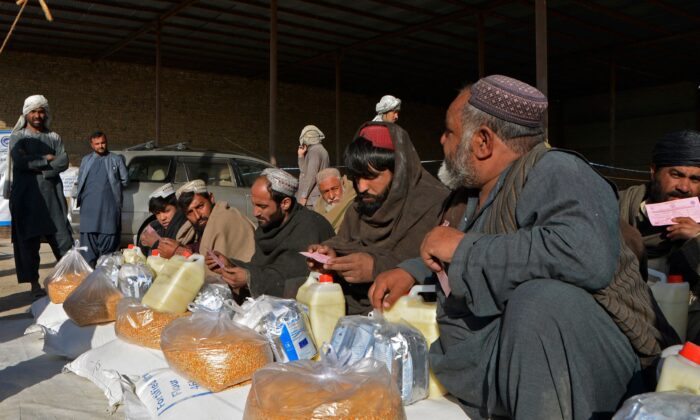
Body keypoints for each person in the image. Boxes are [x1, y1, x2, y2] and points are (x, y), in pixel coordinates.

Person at [368, 75, 681, 419]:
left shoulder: (557, 170)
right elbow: (482, 247)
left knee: (541, 301)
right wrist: (412, 270)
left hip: (583, 369)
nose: (442, 140)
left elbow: (584, 254)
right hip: (484, 368)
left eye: (450, 132)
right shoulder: (468, 194)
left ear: (483, 141)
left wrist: (464, 249)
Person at [307, 122, 448, 315]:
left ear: (399, 171)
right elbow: (345, 241)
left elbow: (443, 268)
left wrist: (376, 268)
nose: (362, 187)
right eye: (357, 178)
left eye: (371, 176)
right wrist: (331, 254)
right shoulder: (359, 206)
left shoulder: (436, 204)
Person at [619, 130, 700, 343]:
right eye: (676, 174)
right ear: (653, 171)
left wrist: (697, 239)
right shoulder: (615, 210)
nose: (684, 187)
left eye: (694, 179)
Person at [208, 168, 334, 300]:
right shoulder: (269, 224)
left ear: (285, 203)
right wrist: (231, 265)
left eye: (262, 206)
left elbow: (293, 280)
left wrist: (250, 279)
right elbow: (261, 268)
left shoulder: (310, 227)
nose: (255, 213)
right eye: (254, 205)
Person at [9, 95, 73, 298]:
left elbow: (63, 161)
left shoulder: (54, 137)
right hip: (27, 197)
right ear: (26, 113)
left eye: (41, 111)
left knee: (63, 239)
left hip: (52, 195)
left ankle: (68, 279)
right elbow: (20, 162)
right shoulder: (18, 136)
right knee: (29, 242)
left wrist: (43, 170)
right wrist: (46, 158)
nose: (38, 115)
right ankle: (34, 284)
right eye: (34, 111)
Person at [158, 180, 255, 273]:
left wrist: (179, 252)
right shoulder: (203, 225)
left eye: (200, 206)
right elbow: (201, 250)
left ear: (211, 198)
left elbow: (215, 273)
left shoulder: (224, 219)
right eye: (190, 212)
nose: (197, 216)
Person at [74, 131, 128, 266]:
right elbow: (80, 181)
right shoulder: (86, 160)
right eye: (97, 144)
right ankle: (90, 282)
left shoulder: (116, 159)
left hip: (108, 211)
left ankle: (105, 283)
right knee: (88, 254)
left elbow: (125, 180)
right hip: (88, 212)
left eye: (103, 142)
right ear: (92, 145)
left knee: (107, 257)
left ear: (106, 142)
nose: (101, 146)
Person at [138, 183, 194, 256]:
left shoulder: (186, 226)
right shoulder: (156, 227)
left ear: (177, 207)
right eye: (158, 213)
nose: (162, 218)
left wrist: (156, 244)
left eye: (166, 211)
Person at [296, 125, 330, 208]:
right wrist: (301, 156)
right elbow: (304, 171)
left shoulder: (315, 151)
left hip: (311, 199)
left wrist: (304, 196)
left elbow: (311, 176)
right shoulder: (317, 150)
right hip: (313, 198)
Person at [313, 167, 356, 233]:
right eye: (326, 191)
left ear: (342, 183)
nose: (331, 196)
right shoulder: (317, 208)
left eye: (335, 189)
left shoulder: (356, 203)